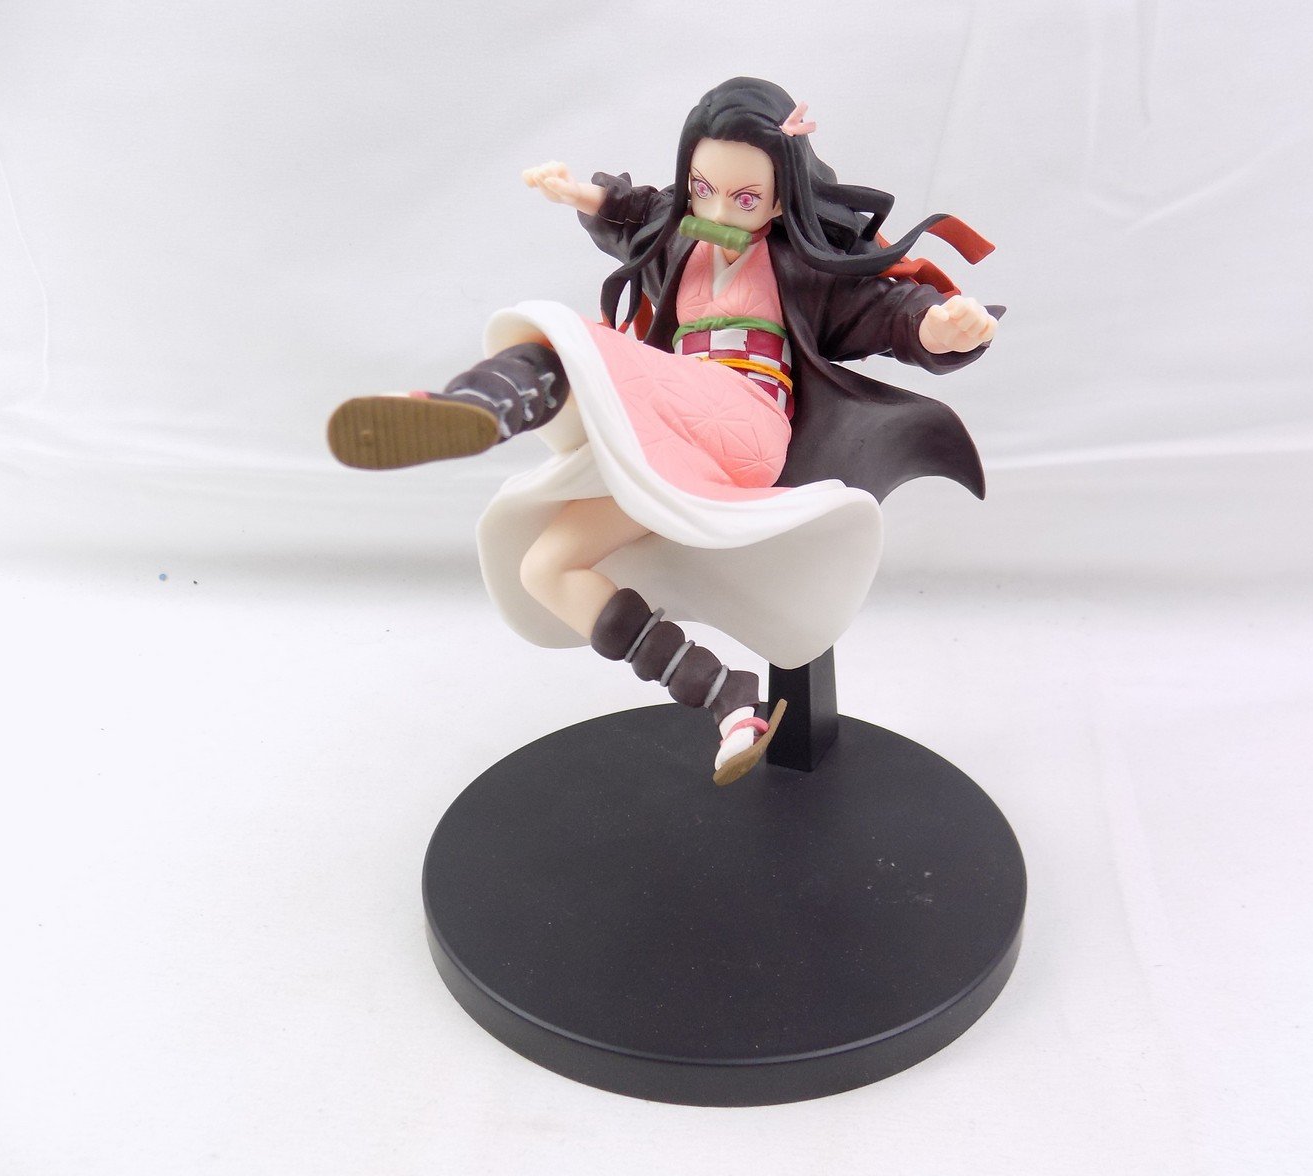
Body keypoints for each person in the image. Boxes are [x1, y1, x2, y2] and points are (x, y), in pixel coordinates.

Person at [328, 77, 1001, 785]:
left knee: (574, 343)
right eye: (703, 190)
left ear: (782, 197)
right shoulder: (679, 242)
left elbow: (886, 310)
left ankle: (476, 408)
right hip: (673, 435)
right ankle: (730, 699)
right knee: (546, 568)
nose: (718, 211)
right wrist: (583, 195)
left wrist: (939, 326)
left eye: (745, 198)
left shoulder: (804, 268)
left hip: (744, 424)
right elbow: (636, 215)